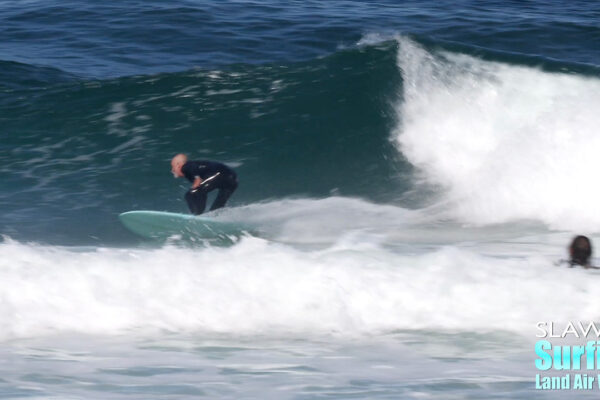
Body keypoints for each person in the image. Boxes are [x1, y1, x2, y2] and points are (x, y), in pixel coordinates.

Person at [171, 154, 238, 215]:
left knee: (191, 194)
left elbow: (193, 169)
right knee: (216, 207)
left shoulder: (185, 166)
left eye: (173, 167)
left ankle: (197, 214)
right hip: (232, 177)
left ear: (178, 165)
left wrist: (197, 179)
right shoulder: (195, 167)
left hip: (220, 174)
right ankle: (216, 215)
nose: (172, 170)